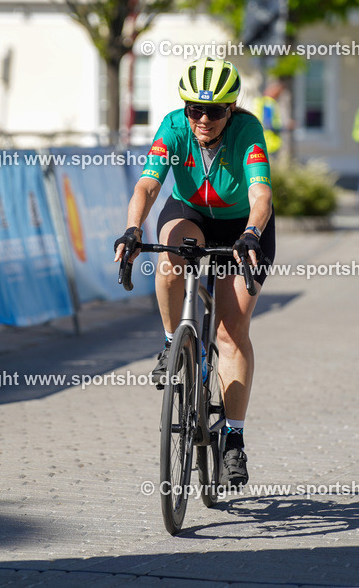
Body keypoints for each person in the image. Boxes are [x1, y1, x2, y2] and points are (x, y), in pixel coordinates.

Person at [114, 57, 274, 488]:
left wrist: (251, 235)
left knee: (228, 332)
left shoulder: (248, 131)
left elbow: (261, 194)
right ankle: (172, 341)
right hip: (190, 213)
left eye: (215, 111)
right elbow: (148, 185)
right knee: (168, 257)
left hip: (243, 227)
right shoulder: (173, 127)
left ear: (231, 110)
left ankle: (234, 440)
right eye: (195, 110)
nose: (203, 119)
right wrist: (132, 229)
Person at [253, 80, 288, 155]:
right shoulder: (269, 103)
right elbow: (268, 123)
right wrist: (283, 127)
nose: (279, 95)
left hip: (262, 140)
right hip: (269, 142)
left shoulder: (261, 101)